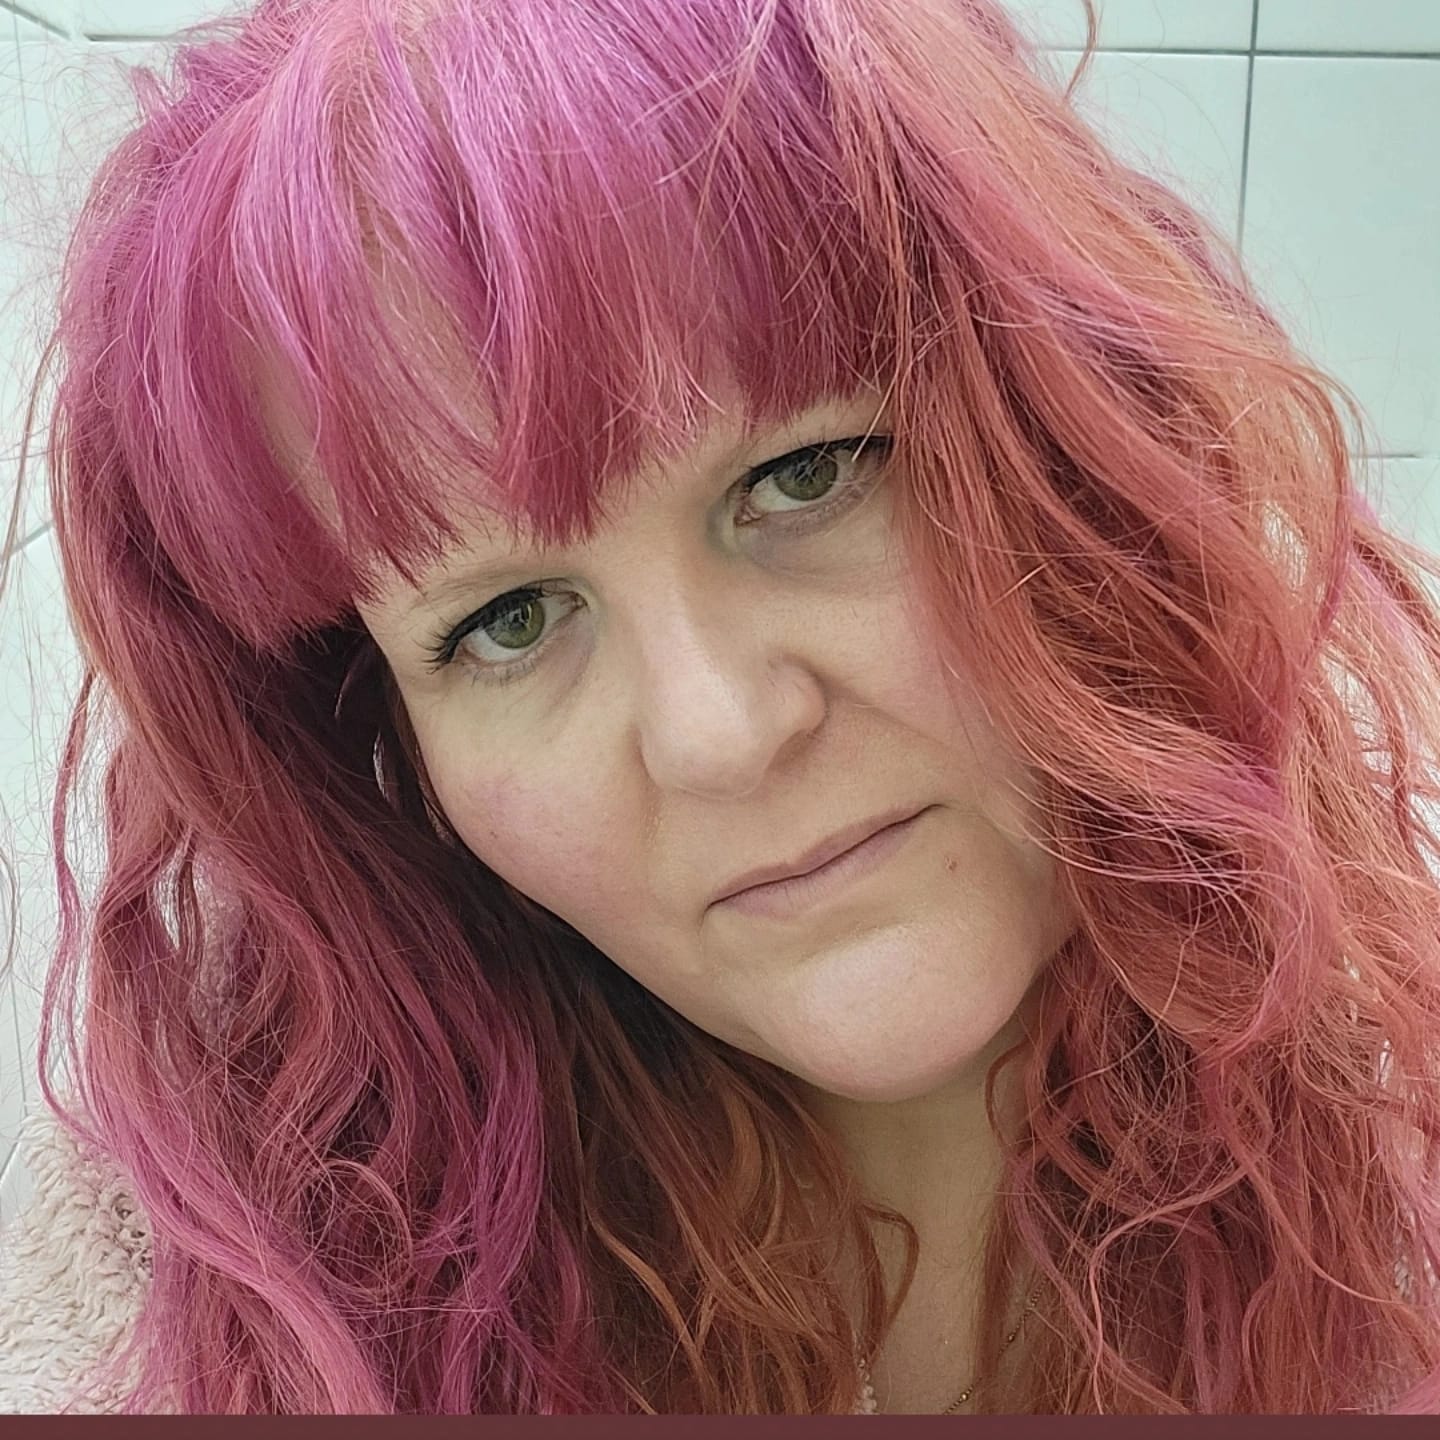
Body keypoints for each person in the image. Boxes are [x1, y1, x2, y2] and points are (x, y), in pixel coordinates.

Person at [3, 0, 1440, 1415]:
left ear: (1073, 435)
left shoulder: (1402, 1083)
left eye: (806, 475)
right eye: (508, 622)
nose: (722, 737)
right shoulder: (205, 1297)